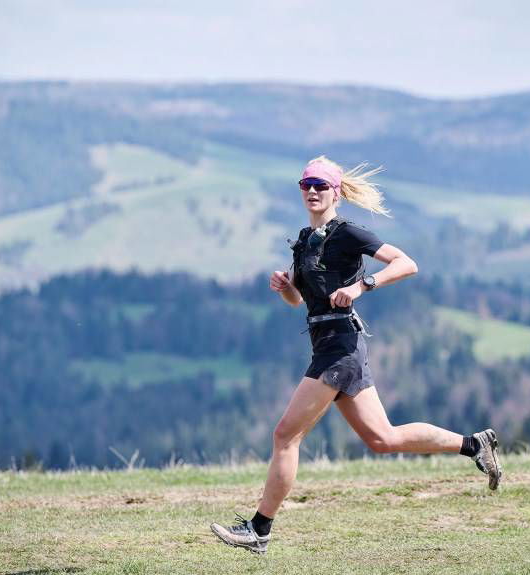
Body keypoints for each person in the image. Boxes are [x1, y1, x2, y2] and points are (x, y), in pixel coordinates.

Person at [210, 156, 502, 554]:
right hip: (333, 343)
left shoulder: (348, 234)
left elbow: (407, 263)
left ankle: (259, 530)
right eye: (305, 184)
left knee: (284, 435)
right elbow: (299, 302)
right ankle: (474, 445)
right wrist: (285, 286)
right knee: (383, 439)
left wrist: (363, 285)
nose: (312, 191)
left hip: (340, 348)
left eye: (320, 185)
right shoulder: (303, 240)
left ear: (336, 192)